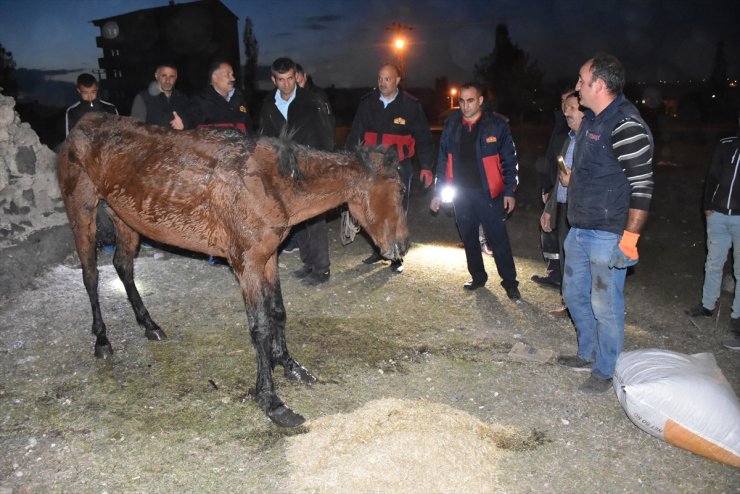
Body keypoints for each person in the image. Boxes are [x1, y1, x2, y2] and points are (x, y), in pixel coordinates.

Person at [557, 53, 654, 393]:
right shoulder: (591, 121)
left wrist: (629, 240)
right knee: (573, 294)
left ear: (599, 84)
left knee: (605, 305)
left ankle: (604, 370)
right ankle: (587, 353)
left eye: (582, 80)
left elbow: (642, 186)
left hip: (607, 234)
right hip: (579, 229)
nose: (577, 86)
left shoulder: (625, 124)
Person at [430, 82, 521, 301]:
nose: (465, 105)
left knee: (498, 239)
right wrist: (437, 192)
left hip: (489, 194)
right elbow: (442, 160)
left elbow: (510, 161)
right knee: (469, 238)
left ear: (480, 101)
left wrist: (509, 191)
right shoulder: (451, 125)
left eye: (470, 100)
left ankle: (510, 283)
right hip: (461, 194)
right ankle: (478, 277)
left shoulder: (497, 125)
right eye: (461, 101)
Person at [346, 63, 434, 273]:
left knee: (396, 211)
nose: (382, 83)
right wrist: (348, 162)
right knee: (373, 209)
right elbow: (355, 133)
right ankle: (379, 249)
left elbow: (424, 137)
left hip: (399, 167)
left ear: (397, 80)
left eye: (387, 79)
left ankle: (397, 255)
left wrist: (427, 167)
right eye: (379, 78)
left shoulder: (411, 106)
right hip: (372, 167)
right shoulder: (367, 103)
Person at [259, 57, 334, 286]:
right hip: (283, 171)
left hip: (309, 167)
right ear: (274, 79)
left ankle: (321, 268)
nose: (287, 84)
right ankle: (308, 263)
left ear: (296, 76)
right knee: (295, 219)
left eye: (290, 78)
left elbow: (325, 134)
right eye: (281, 80)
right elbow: (264, 136)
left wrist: (322, 166)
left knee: (315, 219)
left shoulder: (311, 100)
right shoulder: (268, 104)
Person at [685, 111, 740, 351]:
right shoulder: (726, 145)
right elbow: (712, 177)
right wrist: (707, 205)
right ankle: (707, 305)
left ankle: (737, 320)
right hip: (717, 216)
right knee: (713, 263)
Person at [539, 91, 584, 317]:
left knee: (580, 263)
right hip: (565, 208)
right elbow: (561, 179)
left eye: (572, 107)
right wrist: (550, 210)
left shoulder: (592, 143)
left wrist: (573, 180)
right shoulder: (570, 140)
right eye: (565, 107)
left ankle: (581, 308)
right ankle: (569, 306)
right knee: (567, 259)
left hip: (584, 212)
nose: (566, 112)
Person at [65, 73, 119, 254]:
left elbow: (120, 136)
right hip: (87, 166)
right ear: (78, 91)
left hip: (110, 164)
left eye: (93, 92)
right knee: (96, 205)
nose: (90, 96)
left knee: (118, 202)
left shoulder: (109, 108)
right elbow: (70, 142)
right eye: (85, 93)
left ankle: (125, 237)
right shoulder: (72, 112)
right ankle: (107, 240)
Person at [531, 88, 574, 290]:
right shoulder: (560, 125)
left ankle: (565, 279)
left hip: (566, 190)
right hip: (554, 186)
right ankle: (554, 273)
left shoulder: (576, 129)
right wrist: (545, 186)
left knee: (562, 234)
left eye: (570, 103)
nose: (565, 107)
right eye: (563, 101)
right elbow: (550, 159)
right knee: (548, 231)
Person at [191, 60, 253, 134]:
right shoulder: (200, 101)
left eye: (232, 75)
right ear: (215, 78)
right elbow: (190, 124)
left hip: (241, 144)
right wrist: (183, 124)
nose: (233, 78)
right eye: (228, 74)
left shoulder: (239, 99)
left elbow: (249, 129)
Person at [130, 63, 191, 130]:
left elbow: (190, 122)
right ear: (156, 76)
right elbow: (136, 128)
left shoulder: (183, 98)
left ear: (176, 78)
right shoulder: (143, 98)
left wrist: (184, 125)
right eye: (164, 76)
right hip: (151, 140)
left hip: (177, 140)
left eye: (171, 76)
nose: (167, 80)